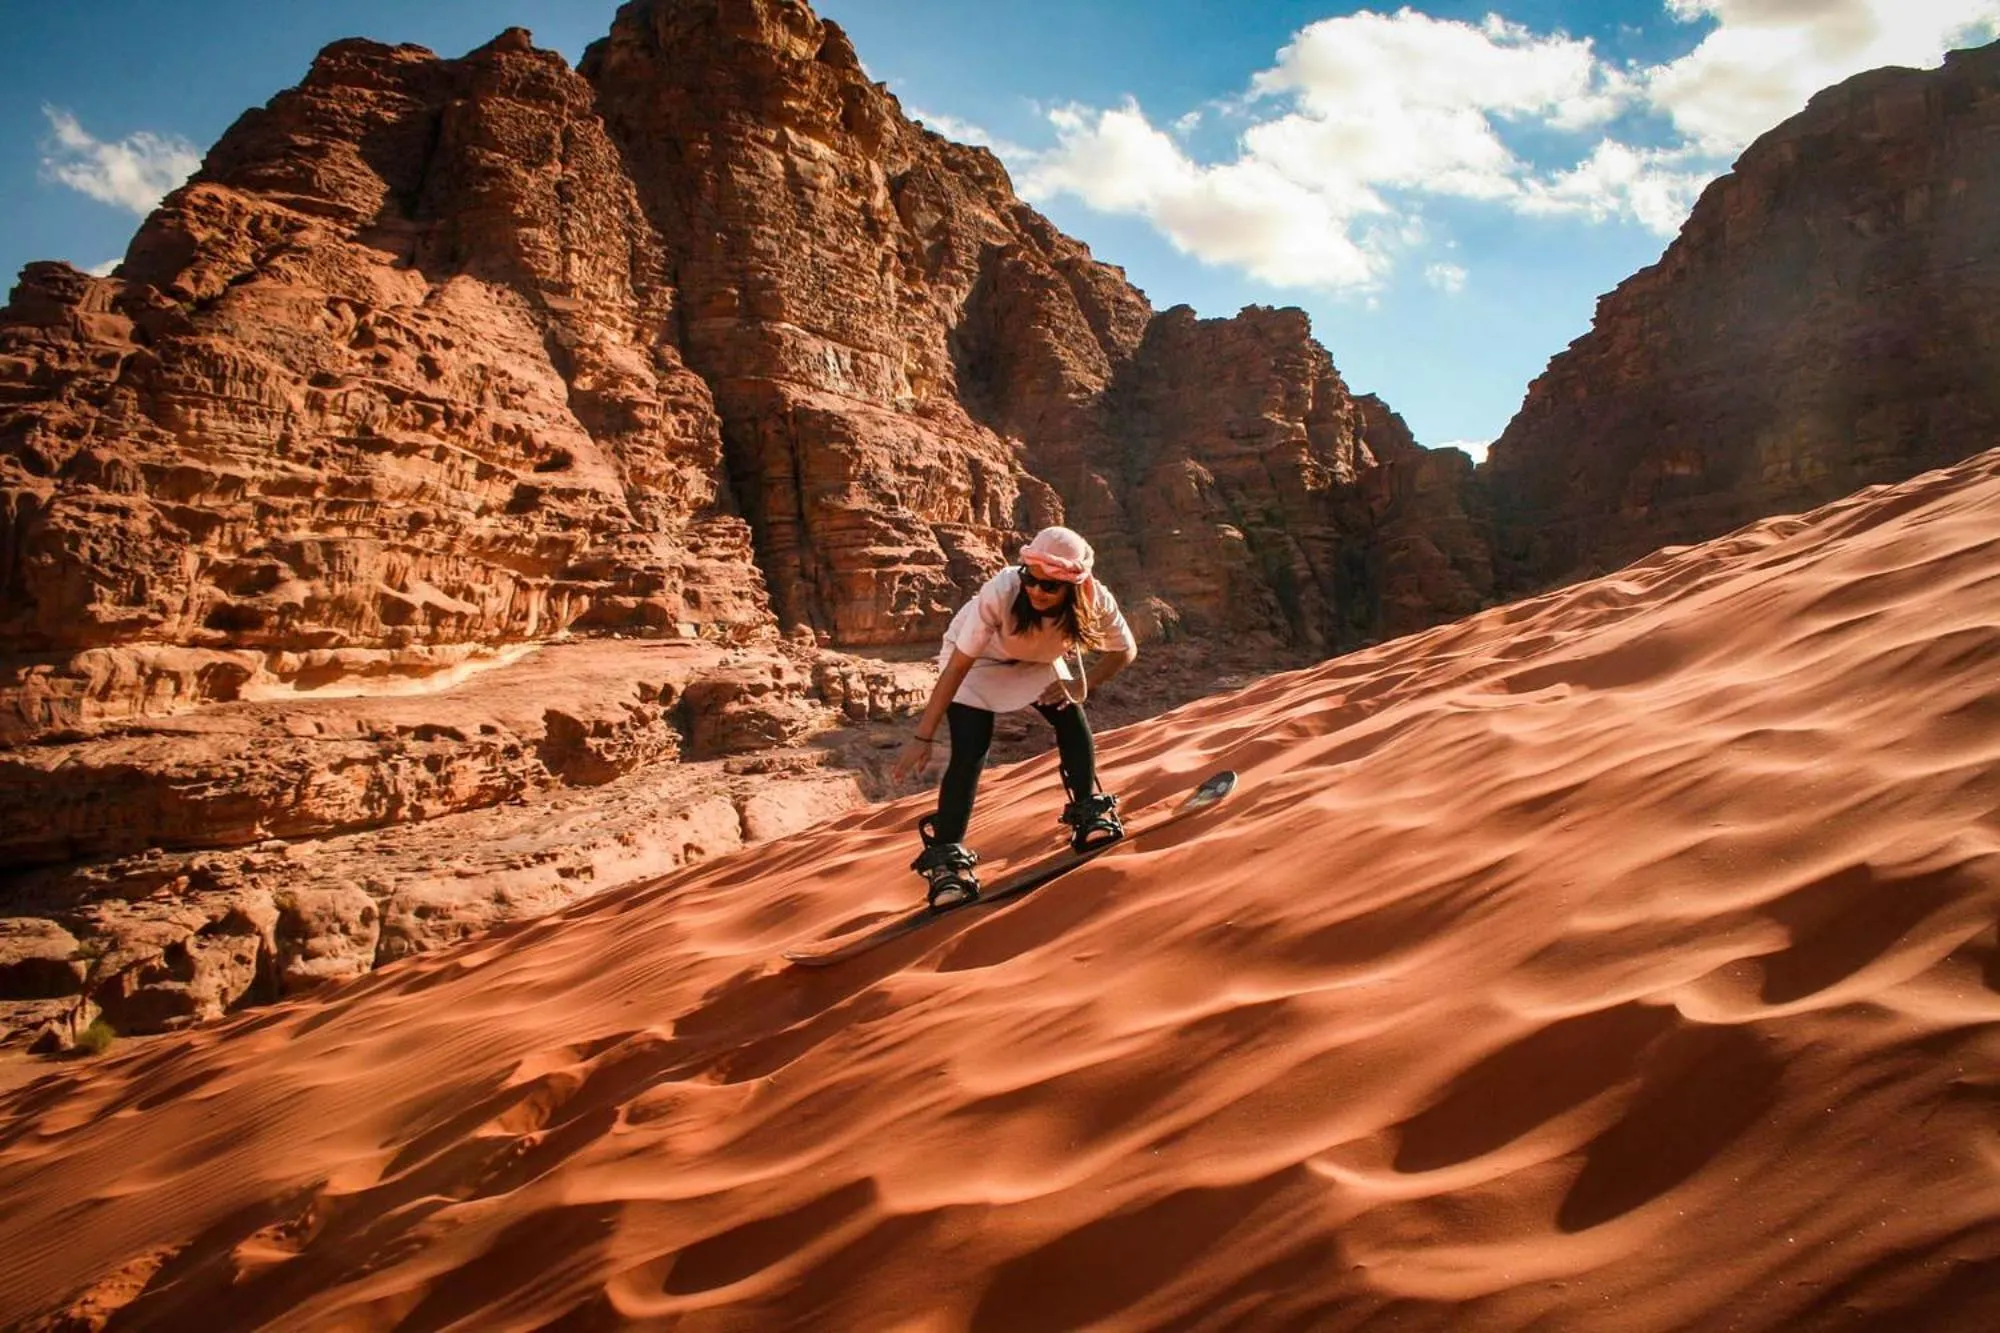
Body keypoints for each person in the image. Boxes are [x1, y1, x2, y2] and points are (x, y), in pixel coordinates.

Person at [890, 526, 1139, 909]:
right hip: (977, 664)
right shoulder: (1002, 592)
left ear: (1072, 587)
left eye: (1049, 586)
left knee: (1070, 719)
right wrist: (923, 736)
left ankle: (1089, 815)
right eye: (1031, 579)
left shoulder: (1094, 598)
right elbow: (957, 668)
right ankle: (947, 866)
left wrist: (1079, 687)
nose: (1037, 591)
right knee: (971, 748)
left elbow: (1124, 651)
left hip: (1037, 662)